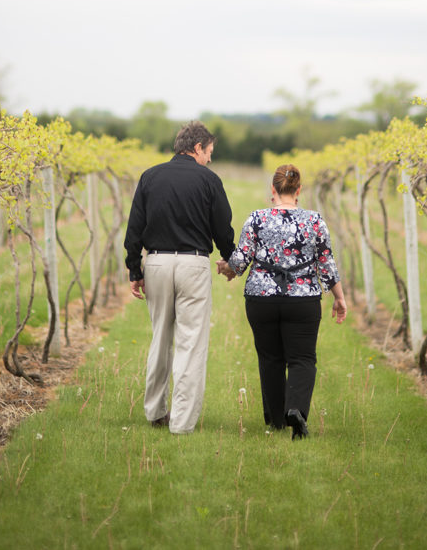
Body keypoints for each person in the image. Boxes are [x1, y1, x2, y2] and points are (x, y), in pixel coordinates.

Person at [218, 163, 346, 439]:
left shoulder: (256, 218)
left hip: (261, 299)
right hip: (303, 299)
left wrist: (226, 267)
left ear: (273, 190)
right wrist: (339, 297)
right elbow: (326, 263)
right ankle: (296, 409)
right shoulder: (314, 220)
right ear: (299, 190)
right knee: (302, 358)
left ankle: (276, 420)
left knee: (270, 358)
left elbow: (239, 261)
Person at [124, 120, 235, 435]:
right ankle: (182, 423)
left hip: (156, 263)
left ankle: (156, 412)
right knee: (190, 343)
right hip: (194, 265)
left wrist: (135, 269)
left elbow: (134, 228)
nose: (210, 159)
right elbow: (222, 230)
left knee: (160, 339)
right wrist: (231, 260)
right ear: (198, 147)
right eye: (209, 151)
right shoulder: (209, 181)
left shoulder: (149, 177)